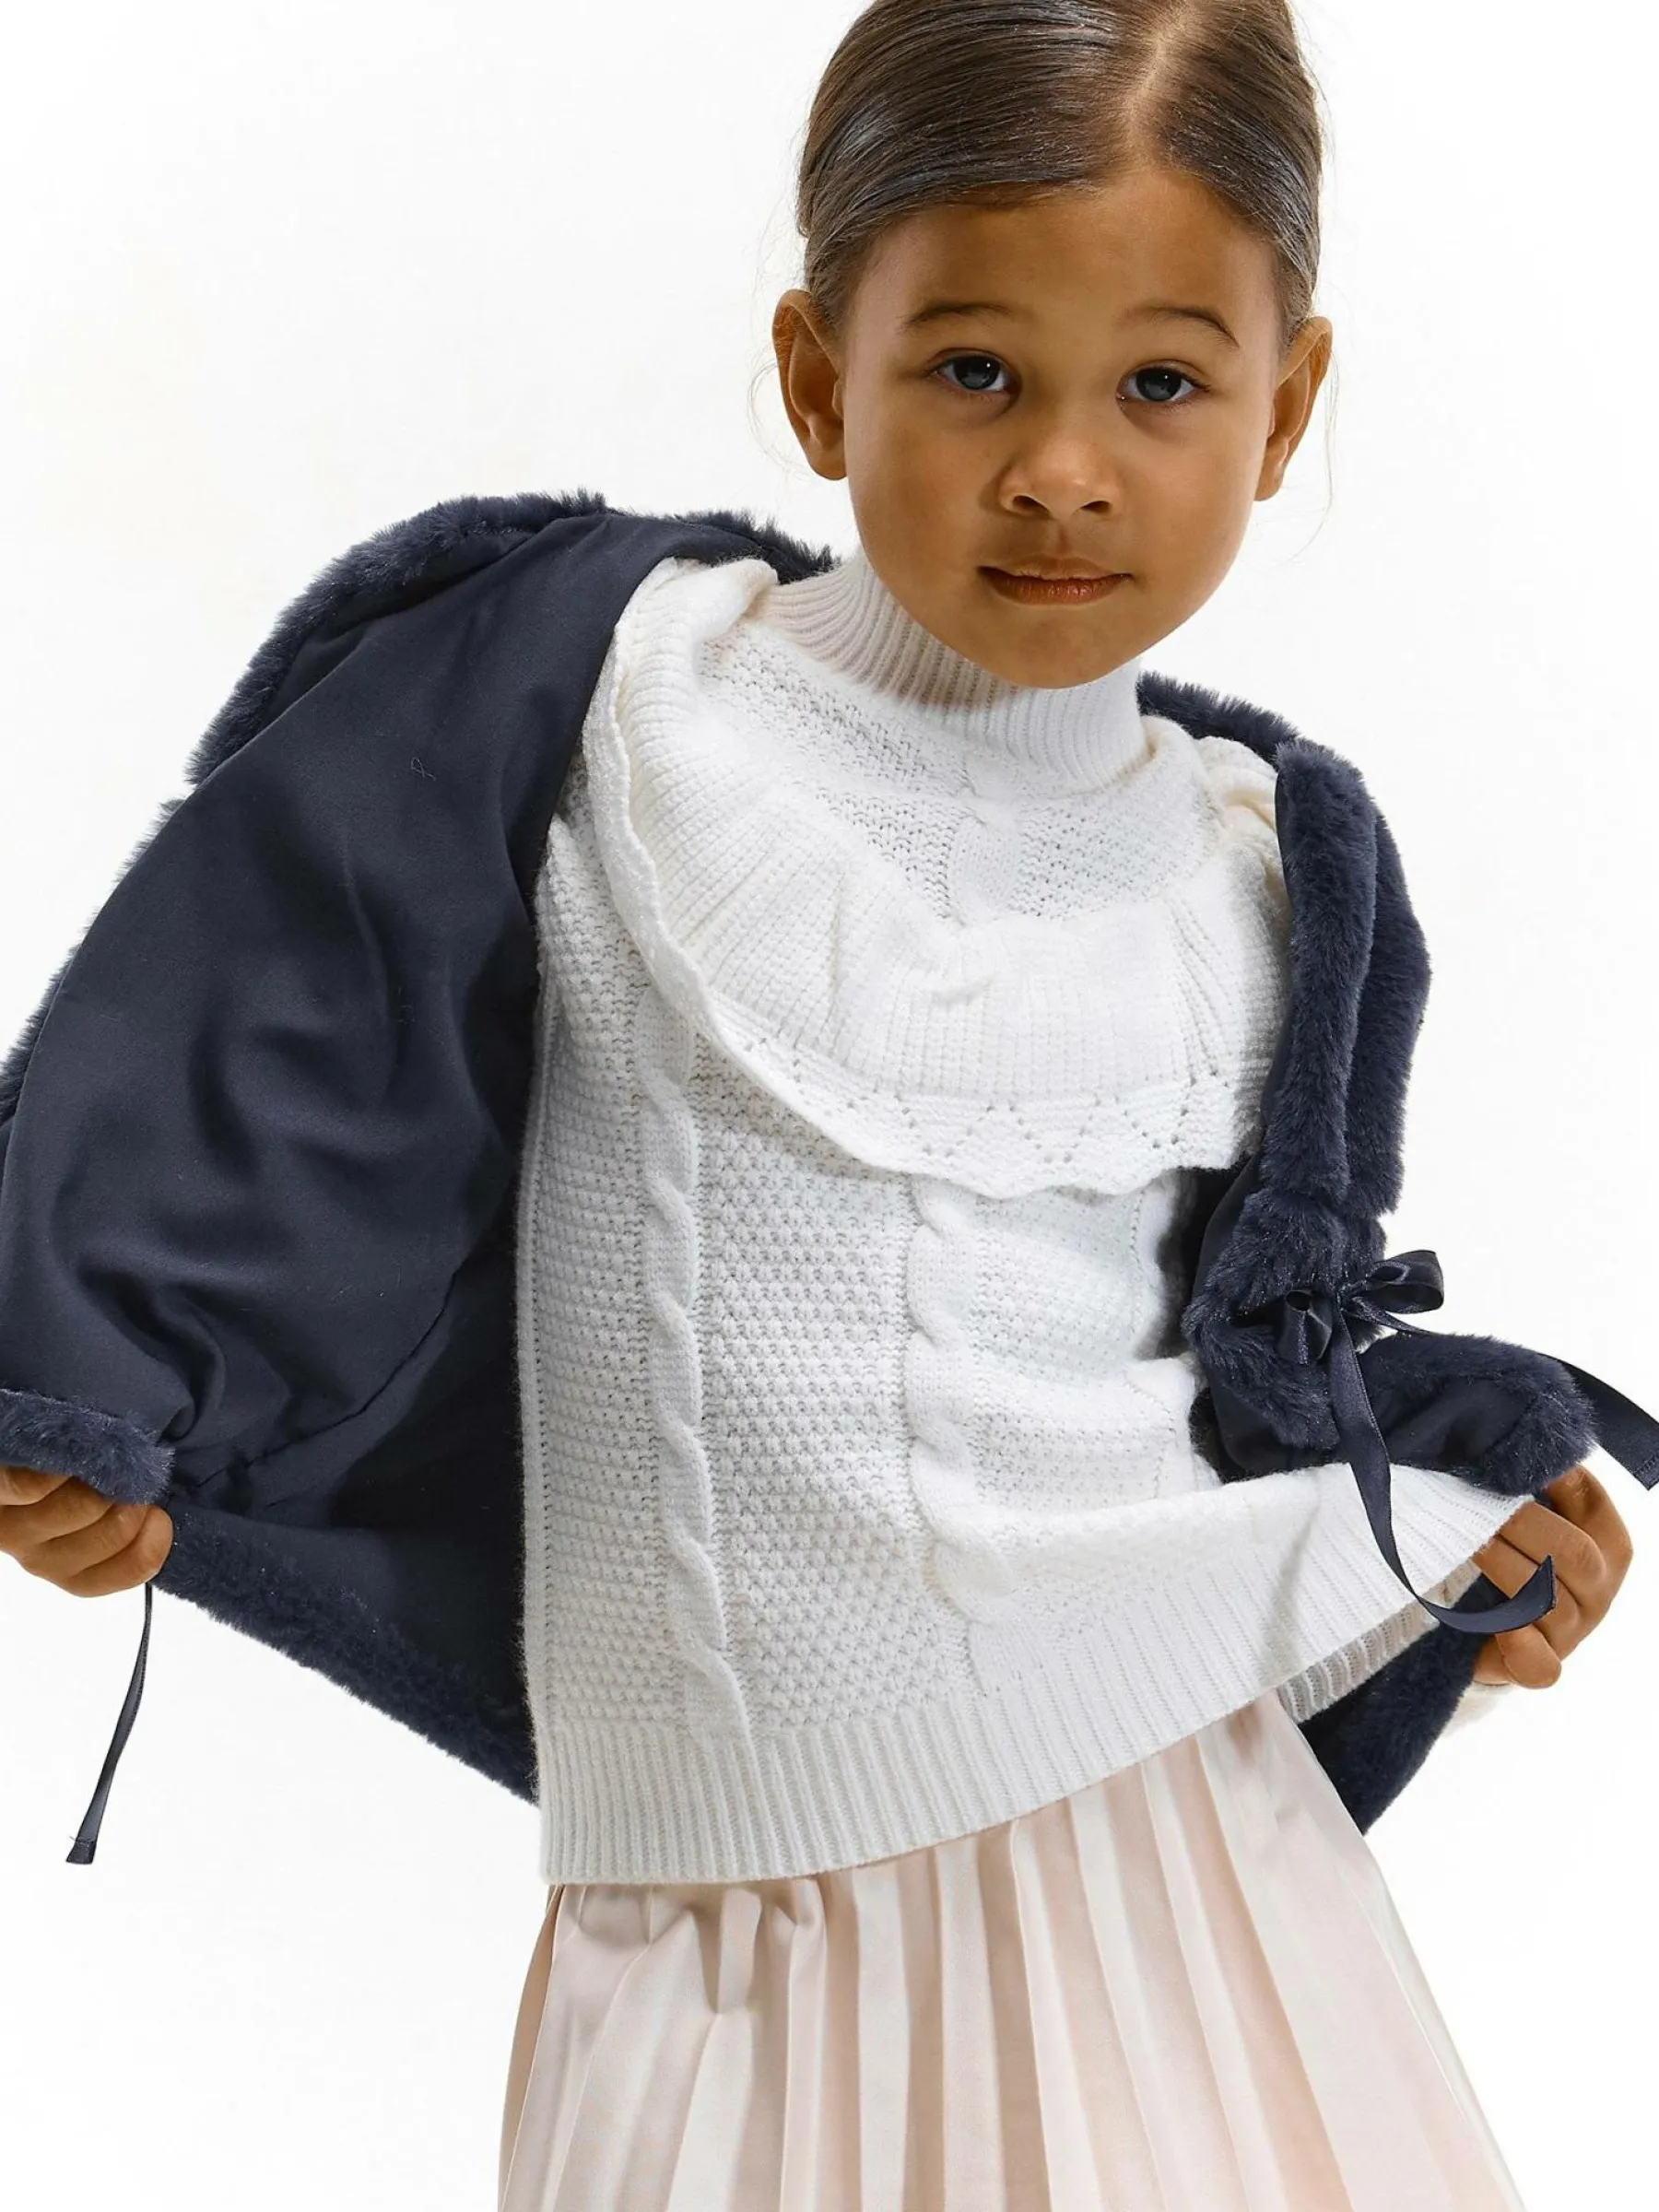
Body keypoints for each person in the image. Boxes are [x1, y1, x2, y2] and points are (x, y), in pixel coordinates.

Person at [0, 2, 1639, 2206]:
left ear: (1287, 407)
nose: (1063, 467)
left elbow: (1227, 1376)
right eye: (973, 369)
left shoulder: (1265, 876)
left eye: (1163, 385)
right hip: (726, 1944)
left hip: (1188, 1895)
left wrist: (1438, 1537)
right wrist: (106, 1396)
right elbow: (272, 1022)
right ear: (814, 374)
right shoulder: (623, 702)